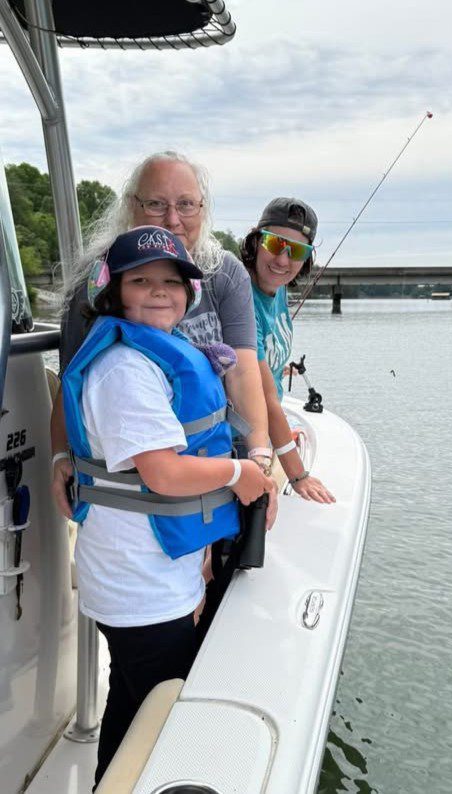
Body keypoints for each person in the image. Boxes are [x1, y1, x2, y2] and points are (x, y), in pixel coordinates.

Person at [58, 225, 274, 788]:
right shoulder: (125, 370)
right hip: (140, 588)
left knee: (133, 705)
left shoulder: (151, 355)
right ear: (113, 292)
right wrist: (241, 474)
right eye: (141, 280)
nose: (160, 290)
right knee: (157, 717)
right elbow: (164, 472)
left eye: (173, 282)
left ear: (190, 293)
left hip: (149, 572)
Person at [51, 151, 271, 517]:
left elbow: (243, 371)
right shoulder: (97, 282)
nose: (172, 219)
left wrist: (259, 455)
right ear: (131, 206)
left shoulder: (226, 273)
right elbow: (72, 378)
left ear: (202, 208)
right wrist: (60, 455)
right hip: (132, 484)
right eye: (156, 204)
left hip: (221, 468)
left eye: (186, 204)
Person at [240, 198, 335, 503]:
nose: (283, 260)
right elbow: (263, 397)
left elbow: (259, 357)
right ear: (256, 241)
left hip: (271, 430)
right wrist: (298, 475)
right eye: (275, 243)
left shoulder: (278, 289)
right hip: (244, 440)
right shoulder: (241, 299)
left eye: (296, 251)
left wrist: (277, 368)